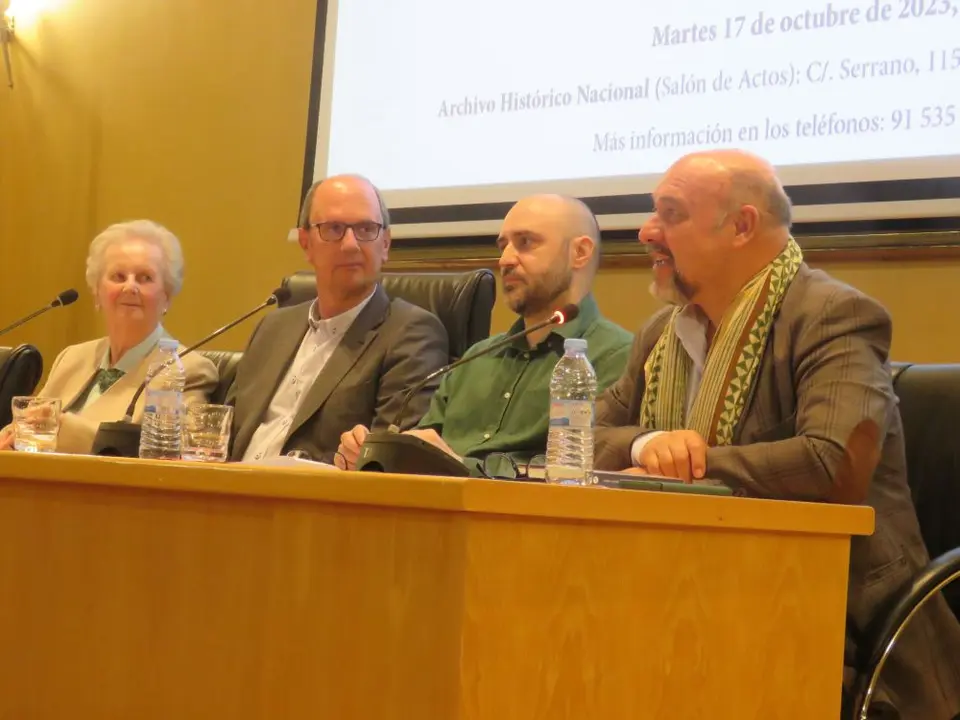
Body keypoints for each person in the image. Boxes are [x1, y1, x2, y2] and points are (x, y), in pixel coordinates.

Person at [593, 149, 960, 719]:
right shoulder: (662, 334)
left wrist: (690, 467)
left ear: (741, 226)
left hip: (835, 624)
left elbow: (830, 463)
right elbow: (585, 436)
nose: (646, 232)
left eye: (670, 213)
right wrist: (646, 446)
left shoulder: (834, 315)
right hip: (686, 597)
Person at [337, 194, 632, 477]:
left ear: (579, 253)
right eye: (503, 245)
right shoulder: (476, 359)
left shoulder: (618, 358)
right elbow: (418, 452)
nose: (505, 259)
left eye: (525, 243)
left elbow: (580, 475)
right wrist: (375, 454)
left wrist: (460, 467)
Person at [227, 174, 449, 464]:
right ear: (306, 243)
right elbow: (224, 432)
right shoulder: (272, 328)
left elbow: (391, 461)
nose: (350, 244)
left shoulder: (411, 333)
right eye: (333, 229)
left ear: (385, 244)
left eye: (366, 229)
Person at [0, 220, 219, 454]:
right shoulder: (73, 357)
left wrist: (66, 430)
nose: (130, 287)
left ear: (167, 296)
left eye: (145, 278)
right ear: (97, 292)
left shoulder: (187, 370)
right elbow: (23, 428)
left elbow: (168, 453)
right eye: (118, 276)